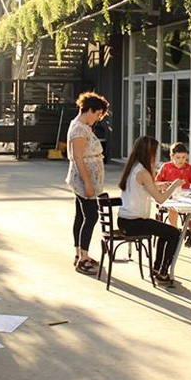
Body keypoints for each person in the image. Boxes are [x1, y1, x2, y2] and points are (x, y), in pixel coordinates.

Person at [117, 136, 184, 286]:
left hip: (125, 220)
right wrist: (174, 185)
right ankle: (162, 271)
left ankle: (157, 268)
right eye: (154, 153)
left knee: (165, 231)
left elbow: (143, 187)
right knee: (174, 233)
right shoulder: (143, 172)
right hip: (135, 222)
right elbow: (160, 199)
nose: (155, 156)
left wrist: (160, 185)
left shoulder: (133, 167)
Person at [66, 91, 110, 276]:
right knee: (91, 217)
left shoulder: (83, 126)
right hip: (84, 181)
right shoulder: (79, 129)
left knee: (81, 216)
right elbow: (78, 158)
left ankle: (80, 253)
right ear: (90, 110)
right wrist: (88, 183)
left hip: (86, 180)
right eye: (98, 114)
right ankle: (83, 258)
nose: (98, 118)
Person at [156, 142, 191, 227]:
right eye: (178, 157)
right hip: (170, 197)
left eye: (183, 157)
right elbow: (156, 183)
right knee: (173, 210)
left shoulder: (189, 168)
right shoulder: (166, 167)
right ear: (172, 156)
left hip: (185, 197)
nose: (181, 160)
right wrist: (165, 185)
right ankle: (175, 230)